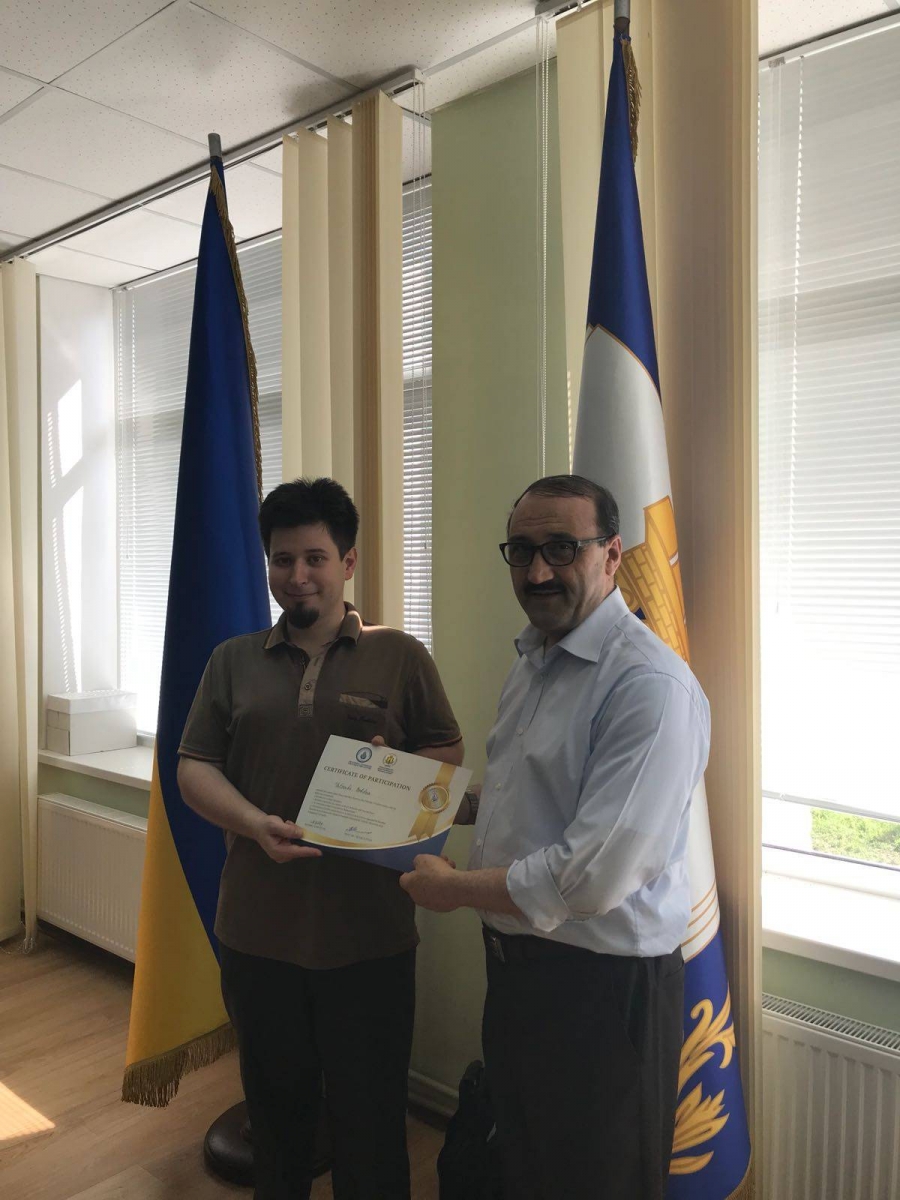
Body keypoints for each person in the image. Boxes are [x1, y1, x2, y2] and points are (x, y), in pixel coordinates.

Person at [399, 474, 710, 1200]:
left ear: (612, 555)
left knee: (597, 1182)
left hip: (603, 994)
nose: (538, 572)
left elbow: (590, 877)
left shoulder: (649, 687)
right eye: (522, 551)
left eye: (562, 549)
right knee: (527, 1169)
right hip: (522, 976)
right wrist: (408, 793)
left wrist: (452, 891)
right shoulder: (536, 659)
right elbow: (529, 801)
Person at [177, 477, 464, 1200]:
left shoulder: (400, 655)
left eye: (315, 558)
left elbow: (446, 754)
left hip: (370, 936)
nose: (297, 575)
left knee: (372, 1124)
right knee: (277, 1122)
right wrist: (254, 825)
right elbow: (193, 768)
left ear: (348, 562)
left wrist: (395, 773)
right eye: (282, 560)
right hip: (258, 932)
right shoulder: (231, 660)